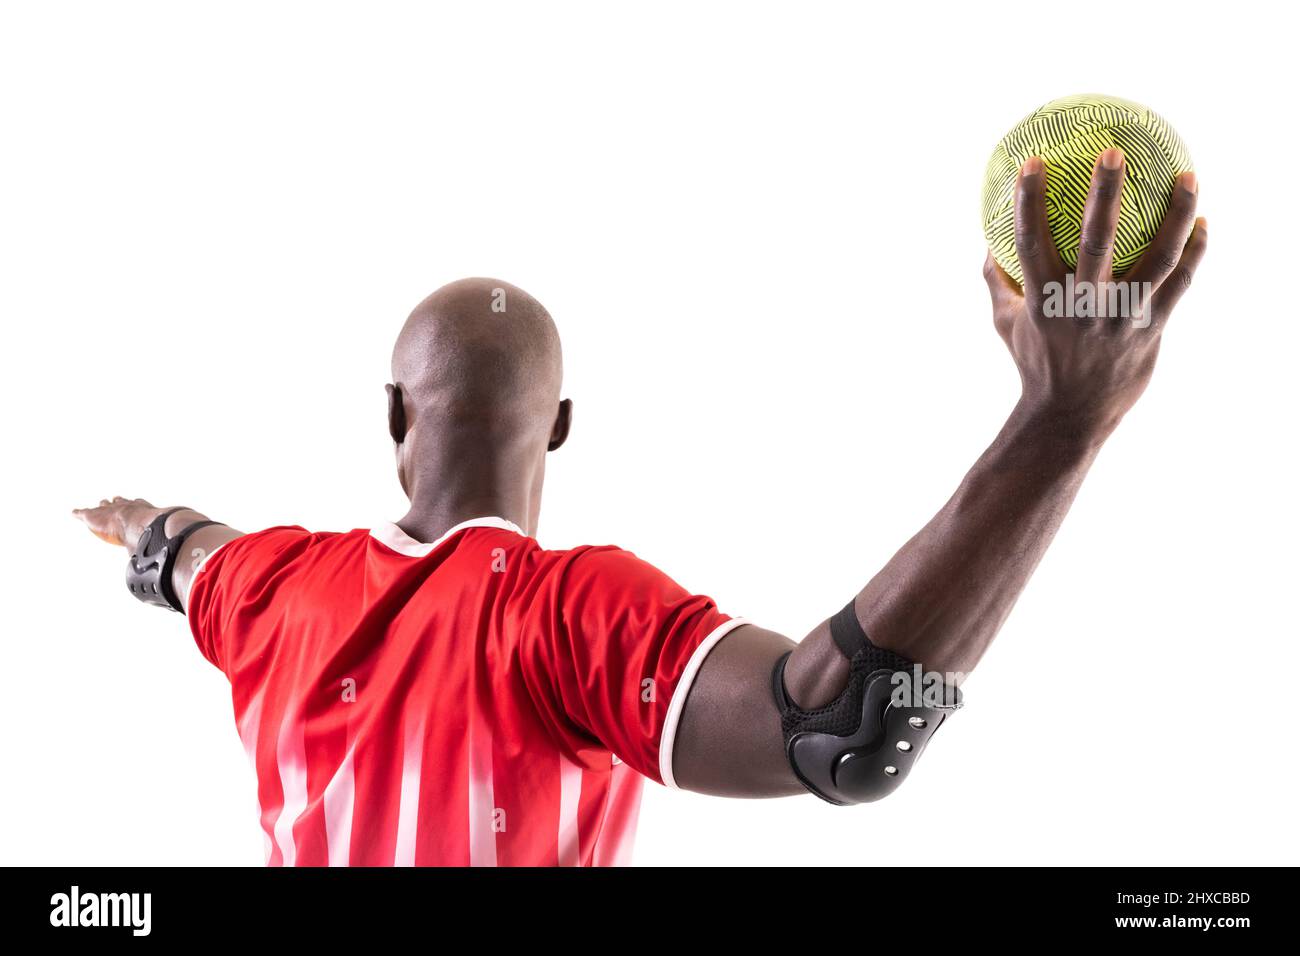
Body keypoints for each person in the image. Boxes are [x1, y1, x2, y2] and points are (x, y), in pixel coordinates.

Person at [75, 150, 1206, 865]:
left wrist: (126, 519)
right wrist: (1057, 428)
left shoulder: (266, 582)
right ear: (558, 424)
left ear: (391, 414)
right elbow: (838, 732)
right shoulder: (572, 615)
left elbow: (175, 544)